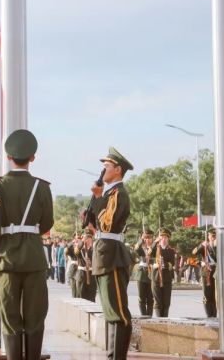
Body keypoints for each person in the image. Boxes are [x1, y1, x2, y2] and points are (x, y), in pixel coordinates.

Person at [0, 129, 53, 360]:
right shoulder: (42, 187)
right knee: (35, 318)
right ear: (32, 158)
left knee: (10, 319)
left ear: (9, 158)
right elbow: (47, 223)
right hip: (34, 259)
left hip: (7, 260)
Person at [84, 147, 134, 359]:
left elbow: (108, 222)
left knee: (119, 313)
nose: (103, 171)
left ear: (118, 170)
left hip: (112, 255)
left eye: (107, 167)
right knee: (110, 311)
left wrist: (96, 199)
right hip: (104, 254)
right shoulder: (108, 193)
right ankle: (112, 354)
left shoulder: (118, 193)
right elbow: (96, 224)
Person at [192, 228, 217, 317]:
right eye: (211, 236)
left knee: (214, 295)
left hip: (216, 273)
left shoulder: (218, 246)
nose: (213, 238)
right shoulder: (204, 246)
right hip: (206, 272)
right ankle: (208, 314)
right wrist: (201, 245)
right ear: (208, 236)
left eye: (214, 236)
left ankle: (214, 314)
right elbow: (193, 253)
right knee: (206, 295)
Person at [151, 228, 175, 318]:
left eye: (165, 237)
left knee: (166, 302)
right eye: (161, 237)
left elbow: (171, 264)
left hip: (166, 278)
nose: (163, 239)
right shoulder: (155, 248)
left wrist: (163, 263)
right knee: (157, 301)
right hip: (156, 277)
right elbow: (148, 254)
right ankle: (158, 321)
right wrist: (154, 242)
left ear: (168, 239)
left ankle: (165, 320)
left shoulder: (171, 250)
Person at [134, 229, 154, 316]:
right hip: (141, 274)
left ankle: (149, 316)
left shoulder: (154, 248)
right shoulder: (140, 248)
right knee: (142, 298)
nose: (147, 240)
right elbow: (136, 249)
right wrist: (141, 239)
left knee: (150, 298)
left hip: (151, 273)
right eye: (145, 238)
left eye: (149, 238)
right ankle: (143, 316)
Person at [76, 230, 97, 302]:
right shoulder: (80, 249)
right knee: (81, 298)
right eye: (86, 238)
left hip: (92, 275)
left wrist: (92, 263)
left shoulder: (95, 250)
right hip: (82, 274)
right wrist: (82, 242)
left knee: (92, 298)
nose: (88, 240)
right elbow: (76, 251)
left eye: (89, 238)